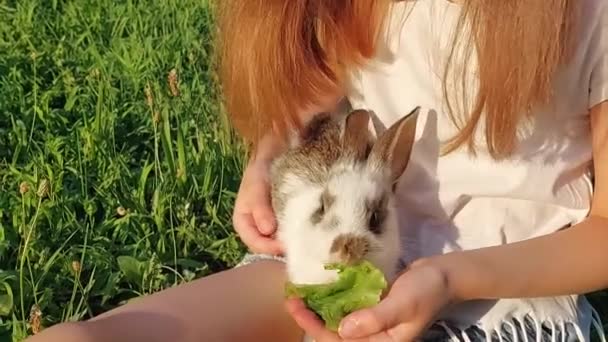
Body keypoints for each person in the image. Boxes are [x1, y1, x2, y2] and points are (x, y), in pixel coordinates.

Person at [27, 0, 608, 341]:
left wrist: (448, 278)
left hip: (508, 291)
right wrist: (266, 165)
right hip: (333, 254)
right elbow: (303, 103)